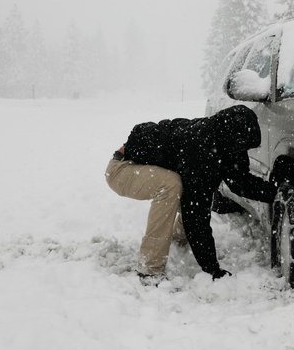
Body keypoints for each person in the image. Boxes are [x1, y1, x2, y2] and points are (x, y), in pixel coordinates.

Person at [105, 105, 276, 282]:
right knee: (173, 186)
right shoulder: (199, 149)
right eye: (241, 146)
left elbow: (240, 181)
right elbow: (196, 217)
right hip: (122, 169)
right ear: (230, 139)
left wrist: (275, 192)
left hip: (145, 166)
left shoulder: (227, 143)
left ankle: (177, 236)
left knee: (191, 194)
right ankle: (149, 268)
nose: (243, 152)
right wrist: (212, 269)